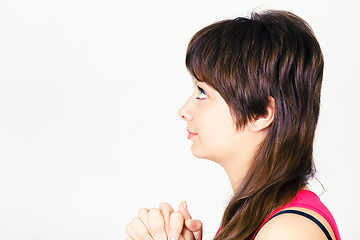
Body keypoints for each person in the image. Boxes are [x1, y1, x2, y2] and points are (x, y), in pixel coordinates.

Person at [125, 10, 341, 240]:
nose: (184, 111)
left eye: (202, 92)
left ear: (261, 113)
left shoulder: (287, 231)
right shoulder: (254, 216)